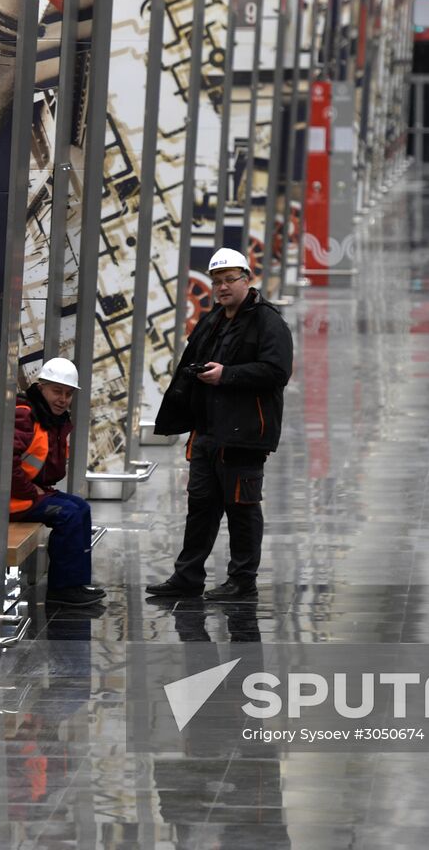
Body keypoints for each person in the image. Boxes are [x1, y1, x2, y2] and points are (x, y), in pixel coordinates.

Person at [146, 247, 293, 601]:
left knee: (242, 509)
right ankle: (188, 576)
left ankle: (243, 580)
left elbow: (277, 372)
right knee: (201, 506)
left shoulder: (268, 321)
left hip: (244, 435)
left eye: (230, 280)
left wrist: (227, 375)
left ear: (247, 279)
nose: (223, 287)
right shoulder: (214, 319)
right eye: (217, 281)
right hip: (207, 430)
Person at [11, 358, 106, 608]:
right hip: (16, 499)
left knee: (81, 508)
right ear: (41, 387)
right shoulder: (25, 415)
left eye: (68, 393)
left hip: (31, 493)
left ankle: (75, 583)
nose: (63, 399)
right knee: (69, 515)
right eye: (56, 391)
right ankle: (63, 588)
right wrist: (33, 491)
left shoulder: (52, 418)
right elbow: (6, 465)